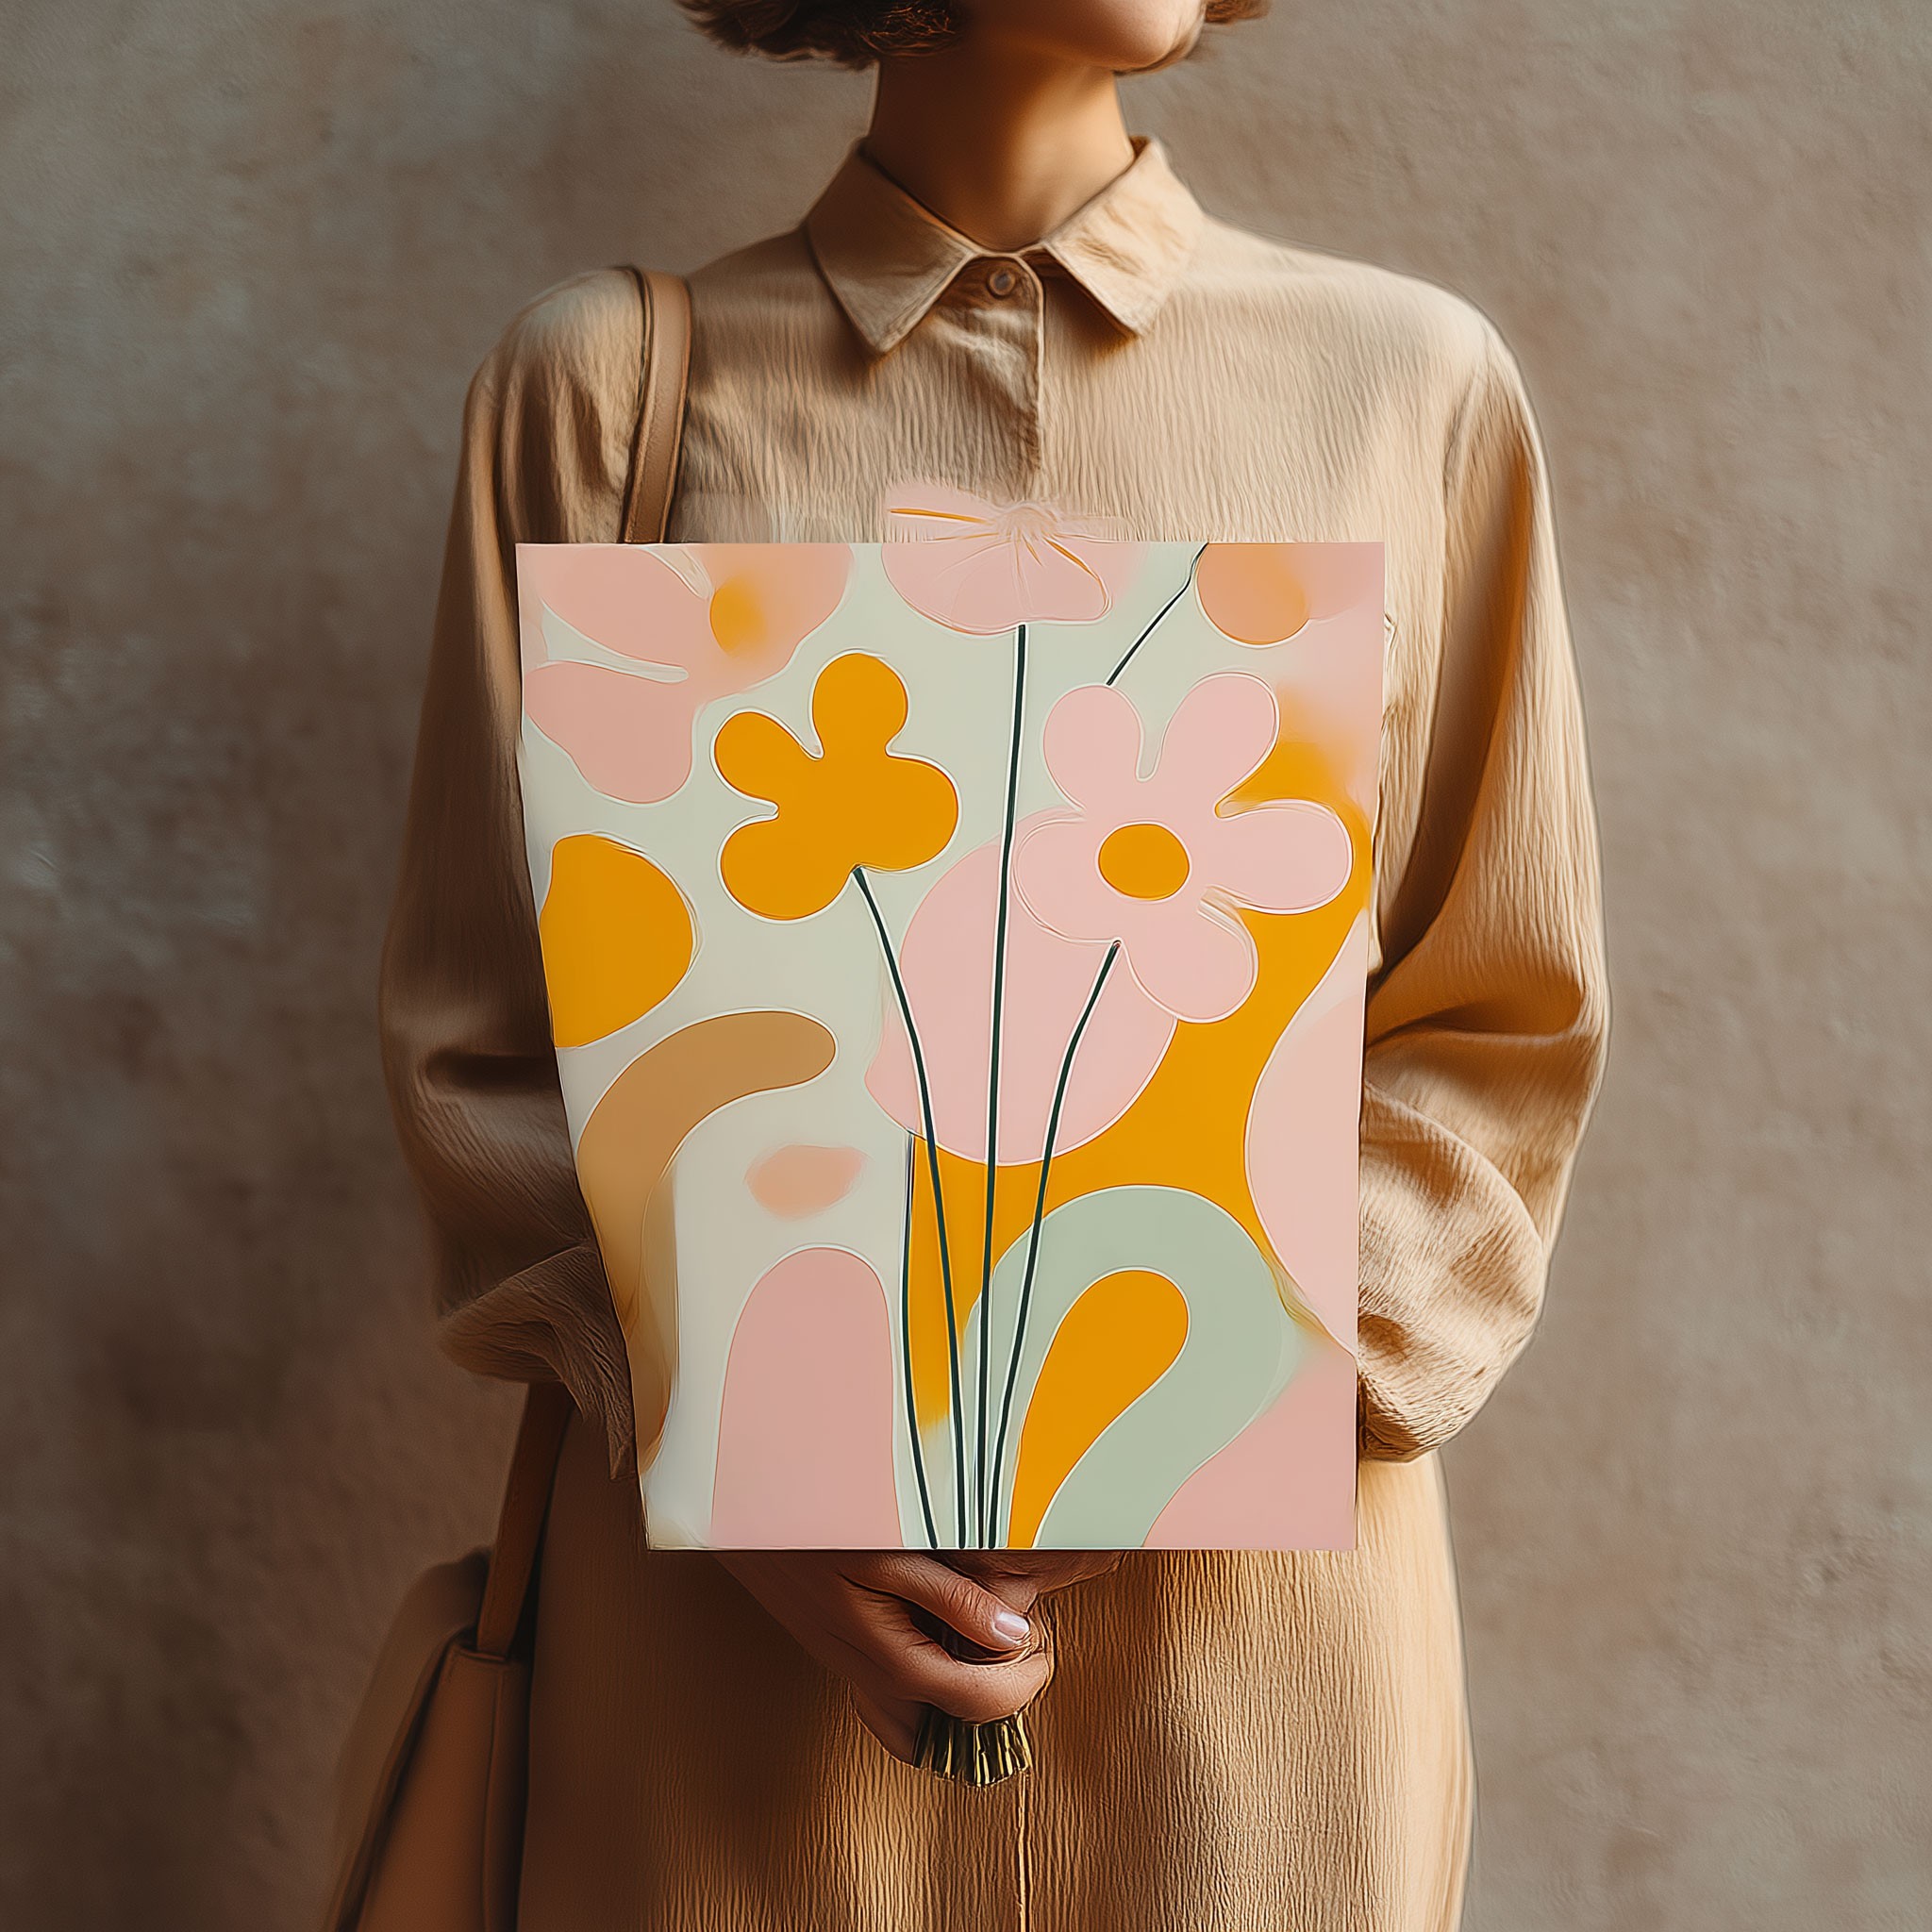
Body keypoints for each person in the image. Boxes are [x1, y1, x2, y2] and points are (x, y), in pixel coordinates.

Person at [376, 1, 1611, 1925]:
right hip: (728, 1680)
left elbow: (1494, 1024)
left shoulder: (1409, 386)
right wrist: (744, 1466)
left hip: (1257, 1680)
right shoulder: (602, 392)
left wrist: (1207, 1407)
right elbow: (487, 1047)